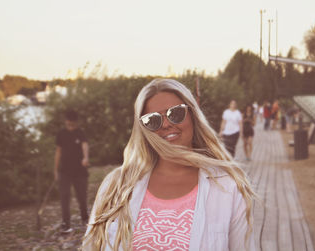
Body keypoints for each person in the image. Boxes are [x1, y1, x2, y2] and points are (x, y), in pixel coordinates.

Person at [83, 79, 255, 251]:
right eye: (152, 120)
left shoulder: (227, 186)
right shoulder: (116, 185)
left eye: (176, 113)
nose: (166, 124)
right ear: (143, 128)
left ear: (193, 116)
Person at [55, 110, 89, 233]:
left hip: (80, 171)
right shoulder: (61, 134)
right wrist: (55, 170)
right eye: (68, 124)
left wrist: (86, 158)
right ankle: (65, 223)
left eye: (73, 125)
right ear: (65, 122)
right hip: (64, 172)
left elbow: (85, 145)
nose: (71, 127)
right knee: (64, 197)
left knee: (82, 197)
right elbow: (58, 152)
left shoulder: (80, 133)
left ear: (76, 123)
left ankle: (85, 219)